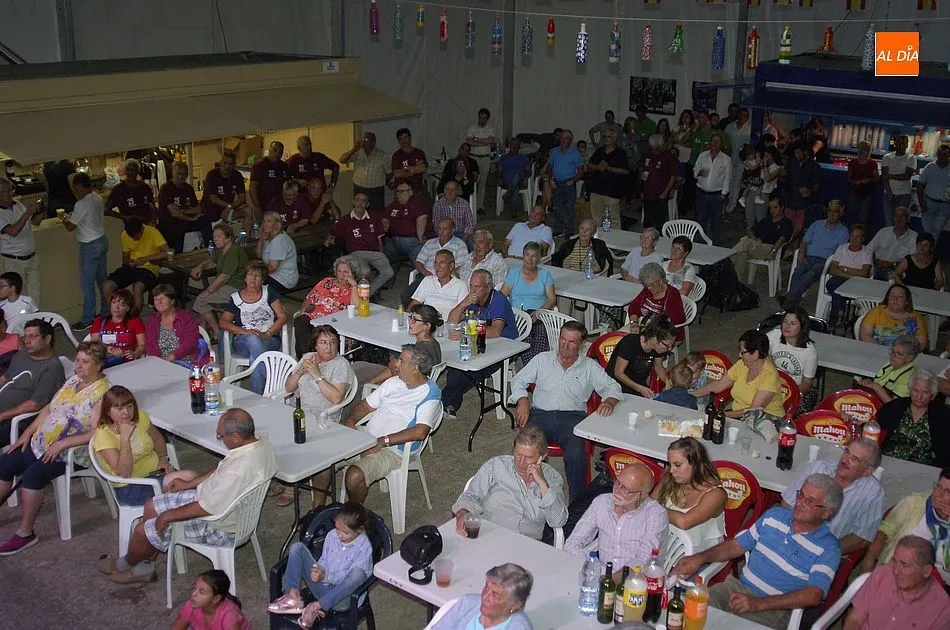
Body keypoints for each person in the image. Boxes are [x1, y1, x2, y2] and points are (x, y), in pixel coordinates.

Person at [95, 408, 277, 584]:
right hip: (221, 505)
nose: (220, 439)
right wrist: (189, 484)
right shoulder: (259, 444)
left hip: (217, 525)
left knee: (143, 530)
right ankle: (146, 566)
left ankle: (123, 565)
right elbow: (222, 468)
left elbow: (205, 508)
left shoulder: (238, 471)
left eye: (220, 436)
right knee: (151, 505)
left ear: (236, 437)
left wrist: (167, 517)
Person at [673, 473, 843, 630]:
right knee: (687, 613)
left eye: (810, 501)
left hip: (775, 609)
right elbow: (736, 546)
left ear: (826, 513)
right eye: (800, 495)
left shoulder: (829, 548)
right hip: (736, 589)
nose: (799, 503)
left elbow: (813, 595)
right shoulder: (774, 516)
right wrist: (700, 558)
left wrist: (758, 603)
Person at [0, 341, 110, 555]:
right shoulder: (73, 380)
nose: (78, 366)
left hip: (71, 453)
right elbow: (49, 409)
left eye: (85, 362)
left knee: (32, 476)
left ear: (99, 365)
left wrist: (63, 443)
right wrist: (27, 433)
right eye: (77, 360)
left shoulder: (103, 394)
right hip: (42, 443)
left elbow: (97, 432)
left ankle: (26, 533)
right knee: (6, 462)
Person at [311, 345, 441, 504]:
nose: (396, 364)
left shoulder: (430, 392)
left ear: (415, 368)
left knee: (354, 476)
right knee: (323, 458)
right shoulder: (393, 382)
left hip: (393, 449)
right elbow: (366, 405)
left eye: (401, 360)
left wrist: (382, 441)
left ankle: (355, 514)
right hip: (367, 436)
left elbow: (420, 432)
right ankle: (317, 509)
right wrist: (351, 420)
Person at [510, 321, 623, 501]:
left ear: (581, 344)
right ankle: (520, 494)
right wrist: (522, 399)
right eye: (562, 339)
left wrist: (609, 401)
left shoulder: (590, 366)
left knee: (577, 456)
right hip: (541, 414)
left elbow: (613, 387)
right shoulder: (542, 359)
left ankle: (576, 504)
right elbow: (518, 380)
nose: (565, 345)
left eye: (571, 342)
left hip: (573, 418)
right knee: (524, 448)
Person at [281, 325, 355, 507]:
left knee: (320, 455)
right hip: (298, 412)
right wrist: (300, 371)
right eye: (323, 343)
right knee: (273, 435)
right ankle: (288, 479)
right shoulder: (308, 357)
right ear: (315, 345)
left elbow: (336, 398)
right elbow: (288, 387)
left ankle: (318, 501)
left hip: (324, 419)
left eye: (333, 342)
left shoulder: (341, 365)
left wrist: (316, 375)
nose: (328, 347)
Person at [268, 501, 373, 627]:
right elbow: (325, 559)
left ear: (359, 529)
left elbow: (351, 581)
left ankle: (316, 606)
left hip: (343, 599)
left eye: (345, 532)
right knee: (297, 548)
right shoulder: (332, 536)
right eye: (337, 529)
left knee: (358, 574)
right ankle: (293, 597)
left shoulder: (363, 548)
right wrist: (319, 569)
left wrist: (326, 576)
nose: (340, 535)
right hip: (324, 586)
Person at [453, 426, 568, 541]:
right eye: (518, 454)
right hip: (489, 535)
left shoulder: (552, 479)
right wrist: (463, 511)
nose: (521, 462)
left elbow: (558, 521)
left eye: (528, 457)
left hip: (526, 543)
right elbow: (471, 495)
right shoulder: (496, 466)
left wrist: (542, 483)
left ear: (543, 456)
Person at [91, 385, 195, 506]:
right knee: (190, 478)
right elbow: (124, 473)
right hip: (131, 486)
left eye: (129, 407)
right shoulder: (103, 436)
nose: (126, 412)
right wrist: (125, 439)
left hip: (157, 472)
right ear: (108, 411)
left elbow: (157, 439)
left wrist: (163, 459)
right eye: (119, 409)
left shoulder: (140, 418)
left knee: (193, 486)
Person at [781, 438, 885, 554]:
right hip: (789, 538)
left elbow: (862, 537)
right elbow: (786, 504)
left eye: (854, 459)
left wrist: (828, 552)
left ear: (867, 470)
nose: (844, 460)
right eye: (846, 451)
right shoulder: (819, 468)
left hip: (826, 553)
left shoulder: (873, 493)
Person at [564, 462, 668, 572]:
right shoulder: (602, 502)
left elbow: (644, 560)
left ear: (642, 495)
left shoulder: (655, 514)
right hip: (601, 573)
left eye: (625, 488)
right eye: (617, 482)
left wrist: (613, 577)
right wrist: (590, 567)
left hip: (637, 578)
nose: (617, 489)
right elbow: (573, 542)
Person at [441, 269, 518, 416]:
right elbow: (451, 321)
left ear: (488, 287)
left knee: (470, 371)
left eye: (477, 287)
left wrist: (465, 332)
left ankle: (445, 403)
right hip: (480, 342)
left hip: (505, 347)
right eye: (471, 286)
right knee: (456, 366)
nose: (472, 290)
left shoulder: (499, 301)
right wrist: (463, 304)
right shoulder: (472, 299)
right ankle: (448, 404)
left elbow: (496, 331)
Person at [858, 468, 950, 579]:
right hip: (894, 573)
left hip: (937, 583)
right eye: (939, 486)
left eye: (947, 491)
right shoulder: (913, 503)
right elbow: (882, 534)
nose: (939, 494)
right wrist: (869, 562)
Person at [845, 535, 950, 630]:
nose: (896, 570)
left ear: (926, 571)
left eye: (905, 565)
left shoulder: (943, 608)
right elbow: (854, 619)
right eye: (895, 561)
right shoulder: (881, 575)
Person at [218, 262, 289, 394]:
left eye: (257, 276)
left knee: (254, 359)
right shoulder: (236, 298)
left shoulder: (269, 292)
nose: (253, 278)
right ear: (245, 278)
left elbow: (283, 316)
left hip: (269, 340)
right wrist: (243, 331)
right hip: (243, 342)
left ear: (262, 280)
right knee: (252, 338)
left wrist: (267, 333)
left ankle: (258, 396)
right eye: (250, 275)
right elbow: (223, 322)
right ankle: (274, 381)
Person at [692, 329, 786, 421]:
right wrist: (691, 395)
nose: (739, 355)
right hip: (739, 414)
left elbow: (754, 411)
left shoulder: (770, 376)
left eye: (742, 352)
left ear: (755, 354)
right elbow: (719, 385)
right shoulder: (743, 364)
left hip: (764, 419)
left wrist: (721, 414)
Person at [652, 437, 727, 551]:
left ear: (696, 464)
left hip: (701, 553)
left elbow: (684, 522)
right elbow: (649, 504)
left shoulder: (716, 494)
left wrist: (654, 509)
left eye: (677, 465)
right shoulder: (671, 478)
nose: (671, 470)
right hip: (667, 543)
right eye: (670, 464)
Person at [0, 319, 65, 448]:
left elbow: (34, 405)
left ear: (47, 339)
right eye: (25, 336)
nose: (27, 341)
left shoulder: (52, 367)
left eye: (32, 336)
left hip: (13, 420)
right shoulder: (22, 354)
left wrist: (2, 415)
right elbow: (5, 377)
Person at [783, 200, 849, 310]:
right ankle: (792, 301)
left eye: (835, 212)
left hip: (825, 261)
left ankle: (789, 299)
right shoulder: (817, 224)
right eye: (829, 211)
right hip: (808, 256)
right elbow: (804, 241)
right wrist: (801, 253)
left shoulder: (843, 231)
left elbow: (841, 252)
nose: (831, 214)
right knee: (798, 271)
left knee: (811, 273)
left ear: (840, 213)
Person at [876, 370, 950, 468]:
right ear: (910, 390)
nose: (919, 396)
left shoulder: (942, 416)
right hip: (890, 462)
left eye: (925, 392)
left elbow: (946, 451)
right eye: (915, 390)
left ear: (933, 395)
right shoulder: (896, 406)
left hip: (924, 468)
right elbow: (874, 425)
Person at [357, 304, 443, 389]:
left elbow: (405, 378)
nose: (410, 322)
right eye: (410, 318)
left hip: (411, 388)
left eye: (415, 320)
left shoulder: (420, 350)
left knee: (361, 368)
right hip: (422, 383)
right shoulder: (433, 342)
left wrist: (394, 365)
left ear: (426, 326)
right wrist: (372, 382)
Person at [292, 255, 363, 358]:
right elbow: (309, 298)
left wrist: (354, 285)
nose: (342, 275)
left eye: (346, 272)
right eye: (339, 271)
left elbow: (357, 307)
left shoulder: (354, 289)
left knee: (322, 336)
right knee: (300, 321)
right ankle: (307, 358)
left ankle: (311, 359)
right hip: (313, 319)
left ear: (353, 273)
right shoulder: (326, 281)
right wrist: (303, 312)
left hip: (334, 324)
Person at [325, 191, 393, 297]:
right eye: (357, 200)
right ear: (353, 202)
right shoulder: (346, 220)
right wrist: (329, 239)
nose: (360, 203)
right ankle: (363, 296)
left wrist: (381, 254)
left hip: (374, 252)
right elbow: (332, 232)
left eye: (363, 201)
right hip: (357, 253)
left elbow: (379, 238)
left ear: (367, 204)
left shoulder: (374, 217)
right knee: (365, 271)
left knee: (388, 272)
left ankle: (368, 293)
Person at [63, 172, 108, 330]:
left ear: (79, 187)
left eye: (75, 188)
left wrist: (63, 219)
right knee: (102, 280)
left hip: (89, 245)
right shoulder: (97, 197)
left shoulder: (81, 204)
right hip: (102, 240)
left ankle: (88, 318)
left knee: (87, 284)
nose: (74, 191)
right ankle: (106, 311)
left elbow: (70, 227)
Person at [190, 223, 248, 342]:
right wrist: (200, 266)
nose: (215, 239)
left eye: (219, 236)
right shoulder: (222, 250)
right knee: (203, 301)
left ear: (228, 237)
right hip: (226, 285)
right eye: (214, 237)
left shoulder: (234, 251)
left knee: (201, 300)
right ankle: (204, 332)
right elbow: (211, 261)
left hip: (236, 287)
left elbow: (224, 276)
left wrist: (208, 291)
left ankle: (217, 333)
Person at [431, 564, 534, 630]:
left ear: (515, 605)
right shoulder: (468, 603)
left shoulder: (519, 627)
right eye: (486, 587)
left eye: (494, 594)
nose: (484, 596)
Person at [500, 242, 556, 363]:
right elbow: (501, 297)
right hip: (519, 316)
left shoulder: (545, 274)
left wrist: (539, 312)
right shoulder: (514, 273)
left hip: (539, 314)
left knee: (541, 335)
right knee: (526, 336)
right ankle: (533, 367)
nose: (530, 259)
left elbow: (552, 299)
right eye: (527, 255)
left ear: (538, 258)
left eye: (534, 256)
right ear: (523, 256)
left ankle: (536, 366)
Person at [103, 217, 168, 313]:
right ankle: (114, 316)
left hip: (149, 267)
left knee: (137, 287)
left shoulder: (152, 232)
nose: (134, 239)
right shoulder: (124, 235)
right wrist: (131, 261)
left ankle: (134, 316)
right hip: (132, 267)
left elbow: (167, 252)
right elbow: (125, 259)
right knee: (107, 285)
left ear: (142, 229)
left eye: (136, 236)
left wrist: (145, 259)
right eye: (131, 237)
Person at [606, 314, 676, 397]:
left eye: (671, 345)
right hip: (616, 384)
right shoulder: (629, 343)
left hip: (637, 384)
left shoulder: (657, 348)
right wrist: (640, 389)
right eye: (668, 345)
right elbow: (618, 373)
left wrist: (667, 381)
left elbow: (659, 367)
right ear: (655, 340)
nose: (669, 349)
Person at [405, 217, 469, 306]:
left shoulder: (460, 245)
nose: (441, 232)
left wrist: (442, 276)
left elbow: (459, 267)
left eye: (445, 229)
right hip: (427, 278)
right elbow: (418, 262)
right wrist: (425, 272)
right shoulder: (430, 243)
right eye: (439, 228)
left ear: (452, 230)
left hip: (447, 280)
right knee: (406, 296)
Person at [0, 180, 44, 306]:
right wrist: (28, 212)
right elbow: (13, 231)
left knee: (35, 295)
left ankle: (34, 317)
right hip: (13, 262)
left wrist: (41, 211)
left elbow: (34, 222)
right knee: (17, 298)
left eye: (11, 190)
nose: (11, 193)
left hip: (31, 258)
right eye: (8, 191)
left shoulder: (18, 204)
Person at [766, 307, 819, 411]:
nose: (787, 326)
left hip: (795, 387)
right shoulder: (773, 336)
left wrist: (794, 394)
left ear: (802, 327)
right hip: (770, 382)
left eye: (793, 323)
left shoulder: (809, 352)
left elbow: (807, 383)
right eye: (785, 322)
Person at [731, 197, 794, 281]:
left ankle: (724, 261)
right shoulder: (766, 220)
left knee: (745, 241)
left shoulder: (786, 222)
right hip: (759, 247)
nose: (772, 210)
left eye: (775, 207)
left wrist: (772, 252)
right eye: (770, 208)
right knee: (741, 254)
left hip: (773, 249)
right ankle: (735, 282)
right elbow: (749, 230)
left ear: (782, 207)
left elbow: (781, 240)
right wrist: (754, 239)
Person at [157, 162, 213, 253]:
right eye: (178, 173)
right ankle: (177, 256)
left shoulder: (188, 188)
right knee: (177, 230)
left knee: (204, 220)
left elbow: (198, 209)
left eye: (184, 174)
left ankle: (210, 249)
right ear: (173, 172)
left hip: (186, 220)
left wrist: (183, 211)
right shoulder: (166, 188)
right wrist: (191, 218)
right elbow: (174, 213)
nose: (181, 176)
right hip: (170, 223)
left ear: (187, 175)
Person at [825, 224, 873, 326]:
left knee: (836, 289)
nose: (854, 239)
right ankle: (840, 315)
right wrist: (853, 274)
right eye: (852, 236)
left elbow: (864, 273)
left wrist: (844, 269)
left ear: (863, 239)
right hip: (838, 280)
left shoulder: (867, 252)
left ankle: (833, 322)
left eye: (858, 237)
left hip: (856, 283)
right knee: (833, 284)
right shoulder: (842, 248)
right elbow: (833, 269)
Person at [626, 263, 686, 343]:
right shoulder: (647, 290)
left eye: (651, 284)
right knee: (620, 338)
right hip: (644, 325)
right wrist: (634, 323)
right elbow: (634, 306)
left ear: (661, 281)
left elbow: (677, 320)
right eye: (646, 285)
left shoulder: (672, 295)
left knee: (634, 344)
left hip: (664, 333)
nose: (649, 288)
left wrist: (648, 330)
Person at [172, 569, 252, 630]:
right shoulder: (191, 605)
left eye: (201, 592)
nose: (193, 594)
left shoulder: (228, 616)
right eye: (195, 588)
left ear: (215, 599)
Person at [144, 284, 203, 367]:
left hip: (185, 359)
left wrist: (172, 356)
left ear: (172, 301)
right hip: (160, 361)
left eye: (162, 298)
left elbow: (190, 342)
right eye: (156, 299)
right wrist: (158, 361)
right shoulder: (152, 320)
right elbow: (150, 344)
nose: (159, 302)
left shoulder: (186, 317)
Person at [858, 284, 928, 349]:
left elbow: (922, 343)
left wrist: (905, 353)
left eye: (900, 297)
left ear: (907, 301)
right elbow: (864, 336)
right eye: (892, 296)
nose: (895, 299)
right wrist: (881, 349)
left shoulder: (916, 318)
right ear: (887, 298)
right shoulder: (876, 312)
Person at [407, 249, 468, 322]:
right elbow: (414, 304)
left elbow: (463, 314)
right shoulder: (428, 280)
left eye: (441, 263)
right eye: (435, 263)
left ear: (451, 266)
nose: (437, 266)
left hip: (447, 324)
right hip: (426, 323)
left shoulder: (461, 286)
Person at [586, 129, 630, 231]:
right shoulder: (599, 151)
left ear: (614, 138)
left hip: (612, 192)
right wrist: (598, 167)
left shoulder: (620, 153)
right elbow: (589, 165)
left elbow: (625, 171)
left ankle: (616, 239)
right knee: (596, 219)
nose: (606, 139)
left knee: (614, 219)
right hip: (596, 190)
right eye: (604, 136)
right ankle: (597, 237)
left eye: (609, 136)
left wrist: (609, 168)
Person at [692, 133, 732, 245]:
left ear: (721, 144)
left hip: (717, 195)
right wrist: (699, 172)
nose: (714, 143)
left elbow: (728, 178)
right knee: (700, 219)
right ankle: (700, 244)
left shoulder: (726, 159)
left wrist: (723, 194)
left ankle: (715, 245)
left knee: (716, 221)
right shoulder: (702, 155)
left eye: (717, 141)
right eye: (713, 141)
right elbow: (695, 170)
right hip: (701, 192)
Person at [857, 334, 920, 402]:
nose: (893, 356)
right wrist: (870, 382)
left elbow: (894, 405)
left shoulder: (907, 379)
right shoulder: (895, 363)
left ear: (909, 358)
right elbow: (880, 381)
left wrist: (876, 387)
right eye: (893, 351)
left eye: (899, 354)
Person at [339, 132, 391, 214]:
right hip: (359, 189)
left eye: (366, 140)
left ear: (373, 142)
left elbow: (389, 173)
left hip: (376, 191)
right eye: (363, 139)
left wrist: (382, 184)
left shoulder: (382, 155)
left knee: (376, 214)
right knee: (359, 213)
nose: (364, 142)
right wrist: (354, 149)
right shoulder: (357, 152)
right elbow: (342, 160)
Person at [91, 289, 146, 367]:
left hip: (127, 363)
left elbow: (142, 344)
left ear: (127, 308)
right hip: (103, 362)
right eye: (114, 302)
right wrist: (110, 349)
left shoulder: (135, 321)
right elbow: (94, 344)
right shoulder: (99, 321)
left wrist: (135, 353)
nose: (116, 307)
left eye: (122, 304)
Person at [546, 130, 585, 238]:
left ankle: (568, 231)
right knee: (557, 207)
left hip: (569, 183)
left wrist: (573, 180)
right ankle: (558, 229)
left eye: (566, 138)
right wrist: (550, 179)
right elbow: (550, 167)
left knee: (569, 208)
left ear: (570, 140)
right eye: (562, 138)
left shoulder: (575, 153)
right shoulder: (554, 151)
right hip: (556, 182)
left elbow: (581, 170)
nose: (563, 140)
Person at [201, 150, 250, 232]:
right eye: (225, 163)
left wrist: (230, 207)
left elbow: (242, 198)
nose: (227, 166)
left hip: (228, 209)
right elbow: (214, 199)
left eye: (230, 164)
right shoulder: (212, 175)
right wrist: (229, 206)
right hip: (211, 212)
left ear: (234, 165)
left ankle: (247, 238)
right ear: (220, 162)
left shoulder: (237, 175)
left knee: (248, 210)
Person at [637, 134, 677, 230]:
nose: (653, 150)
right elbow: (641, 166)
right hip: (647, 192)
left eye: (655, 147)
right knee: (648, 220)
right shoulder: (647, 153)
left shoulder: (668, 157)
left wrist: (666, 192)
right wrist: (641, 174)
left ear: (661, 145)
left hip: (660, 193)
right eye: (652, 147)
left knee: (659, 221)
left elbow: (673, 176)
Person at [382, 182, 430, 262]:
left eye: (401, 191)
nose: (398, 194)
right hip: (393, 241)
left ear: (410, 192)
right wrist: (386, 223)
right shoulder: (393, 204)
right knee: (382, 256)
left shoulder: (416, 202)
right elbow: (385, 217)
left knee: (420, 263)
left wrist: (420, 236)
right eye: (397, 191)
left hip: (411, 242)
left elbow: (422, 218)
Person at [869, 206, 918, 281]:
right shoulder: (883, 231)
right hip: (877, 267)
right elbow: (868, 250)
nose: (898, 219)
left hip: (896, 271)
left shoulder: (913, 236)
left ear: (908, 219)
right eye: (896, 216)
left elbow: (912, 259)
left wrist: (893, 264)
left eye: (902, 216)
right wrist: (875, 261)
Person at [255, 211, 299, 294]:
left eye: (269, 221)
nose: (265, 224)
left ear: (277, 225)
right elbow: (259, 255)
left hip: (283, 279)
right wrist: (261, 240)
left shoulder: (279, 240)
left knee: (252, 282)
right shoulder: (269, 236)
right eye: (264, 221)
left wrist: (256, 274)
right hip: (272, 275)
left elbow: (272, 268)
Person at [783, 143, 823, 234]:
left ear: (805, 152)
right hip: (790, 201)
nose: (796, 155)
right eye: (795, 153)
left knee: (798, 229)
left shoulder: (814, 166)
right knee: (787, 228)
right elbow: (785, 179)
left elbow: (817, 185)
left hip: (804, 204)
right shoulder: (791, 163)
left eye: (798, 153)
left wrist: (810, 191)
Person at [881, 136, 917, 228]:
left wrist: (890, 175)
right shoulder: (887, 157)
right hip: (888, 194)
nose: (900, 146)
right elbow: (884, 177)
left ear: (907, 145)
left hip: (904, 194)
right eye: (898, 143)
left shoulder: (911, 158)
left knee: (900, 223)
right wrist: (889, 192)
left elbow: (907, 176)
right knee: (888, 223)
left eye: (903, 143)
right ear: (895, 144)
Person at [104, 158, 154, 224]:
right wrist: (124, 217)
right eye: (128, 169)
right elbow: (106, 210)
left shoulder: (145, 187)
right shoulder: (118, 189)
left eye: (133, 170)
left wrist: (154, 216)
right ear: (125, 171)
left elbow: (151, 205)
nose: (130, 172)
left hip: (147, 224)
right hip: (130, 227)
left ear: (137, 171)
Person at [466, 108, 497, 212]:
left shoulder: (490, 129)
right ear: (478, 117)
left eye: (484, 118)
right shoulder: (472, 128)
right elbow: (469, 142)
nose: (482, 120)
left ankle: (479, 205)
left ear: (487, 119)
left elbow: (491, 141)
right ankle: (470, 204)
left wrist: (476, 139)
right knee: (472, 180)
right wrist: (485, 142)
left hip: (485, 157)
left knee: (482, 183)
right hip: (473, 157)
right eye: (480, 117)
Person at [916, 144, 950, 239]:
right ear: (937, 154)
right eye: (940, 154)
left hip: (945, 205)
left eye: (944, 154)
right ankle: (927, 248)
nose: (942, 156)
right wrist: (921, 202)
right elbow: (920, 186)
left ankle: (929, 248)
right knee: (926, 230)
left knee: (936, 229)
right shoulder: (930, 167)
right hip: (929, 203)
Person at [249, 141, 289, 220]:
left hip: (281, 206)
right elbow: (253, 187)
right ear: (269, 150)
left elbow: (288, 185)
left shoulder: (284, 166)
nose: (277, 153)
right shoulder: (259, 165)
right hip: (264, 207)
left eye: (280, 151)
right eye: (275, 150)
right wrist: (257, 207)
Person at [846, 142, 880, 227]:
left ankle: (860, 233)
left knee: (863, 217)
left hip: (867, 193)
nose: (861, 151)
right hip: (854, 191)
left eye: (864, 149)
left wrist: (869, 180)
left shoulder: (872, 163)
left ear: (868, 151)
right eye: (860, 149)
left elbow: (877, 179)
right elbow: (848, 178)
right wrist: (854, 182)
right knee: (851, 215)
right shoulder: (853, 162)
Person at [495, 138, 532, 217]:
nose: (514, 146)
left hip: (520, 180)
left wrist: (526, 178)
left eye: (516, 145)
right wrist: (499, 178)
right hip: (506, 181)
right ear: (509, 146)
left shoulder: (523, 158)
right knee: (515, 186)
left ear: (519, 147)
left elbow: (528, 171)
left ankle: (508, 196)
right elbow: (499, 170)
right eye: (513, 144)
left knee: (516, 178)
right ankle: (513, 210)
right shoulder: (503, 157)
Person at [432, 179, 475, 246]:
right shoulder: (438, 205)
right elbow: (436, 224)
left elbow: (470, 224)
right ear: (444, 190)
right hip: (444, 233)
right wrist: (444, 236)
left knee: (472, 242)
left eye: (453, 190)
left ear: (457, 191)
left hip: (461, 233)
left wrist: (463, 239)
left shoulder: (464, 204)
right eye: (447, 189)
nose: (450, 192)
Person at [391, 128, 428, 193]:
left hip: (417, 189)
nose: (404, 140)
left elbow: (423, 168)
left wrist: (406, 168)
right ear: (398, 141)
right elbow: (397, 173)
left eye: (406, 137)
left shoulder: (419, 153)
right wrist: (415, 169)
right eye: (401, 138)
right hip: (402, 191)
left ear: (410, 138)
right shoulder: (396, 155)